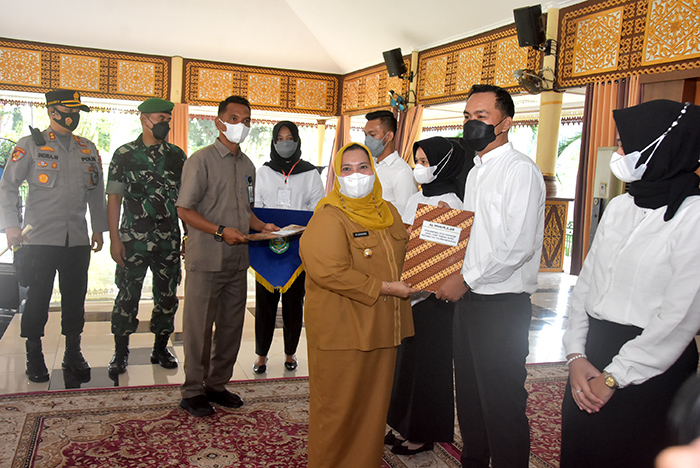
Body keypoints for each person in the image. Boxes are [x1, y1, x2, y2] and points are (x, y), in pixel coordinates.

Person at [561, 99, 700, 468]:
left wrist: (614, 378)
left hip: (652, 366)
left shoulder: (694, 217)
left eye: (625, 145)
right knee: (580, 450)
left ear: (662, 147)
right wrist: (575, 354)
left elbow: (678, 317)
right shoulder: (622, 205)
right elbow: (587, 283)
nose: (618, 154)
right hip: (594, 349)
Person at [435, 84, 545, 468]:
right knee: (469, 396)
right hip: (470, 301)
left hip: (502, 305)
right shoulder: (476, 171)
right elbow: (474, 237)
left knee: (502, 402)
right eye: (467, 116)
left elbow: (517, 246)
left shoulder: (520, 171)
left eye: (481, 116)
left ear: (505, 122)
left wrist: (465, 279)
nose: (472, 123)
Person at [300, 142, 417, 467]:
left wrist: (437, 244)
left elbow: (407, 256)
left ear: (373, 170)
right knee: (338, 413)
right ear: (337, 175)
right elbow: (329, 271)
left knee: (372, 412)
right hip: (343, 332)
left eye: (363, 167)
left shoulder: (389, 212)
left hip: (382, 328)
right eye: (347, 169)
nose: (356, 175)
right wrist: (386, 287)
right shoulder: (329, 216)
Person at [176, 95, 278, 417]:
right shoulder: (201, 161)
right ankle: (193, 391)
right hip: (207, 259)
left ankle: (216, 385)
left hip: (237, 260)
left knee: (231, 328)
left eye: (246, 120)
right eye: (234, 119)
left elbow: (245, 211)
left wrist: (262, 226)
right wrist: (220, 231)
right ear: (218, 122)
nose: (241, 126)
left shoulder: (247, 165)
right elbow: (184, 210)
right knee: (199, 329)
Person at [0, 89, 108, 382]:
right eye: (67, 110)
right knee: (37, 299)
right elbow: (8, 186)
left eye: (76, 112)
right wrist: (10, 225)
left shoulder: (87, 148)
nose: (73, 116)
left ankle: (73, 352)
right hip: (38, 240)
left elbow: (96, 191)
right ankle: (34, 355)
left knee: (75, 298)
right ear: (52, 111)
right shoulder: (30, 145)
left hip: (77, 240)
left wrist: (98, 228)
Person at [385, 136, 466, 456]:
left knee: (429, 367)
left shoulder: (454, 202)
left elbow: (453, 254)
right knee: (407, 362)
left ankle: (423, 433)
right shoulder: (418, 196)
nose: (419, 168)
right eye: (417, 161)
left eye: (424, 162)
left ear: (443, 163)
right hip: (410, 292)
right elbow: (405, 235)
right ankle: (403, 424)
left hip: (436, 298)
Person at [105, 98, 187, 375]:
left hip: (168, 240)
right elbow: (114, 199)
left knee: (167, 297)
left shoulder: (177, 156)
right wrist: (115, 239)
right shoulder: (124, 155)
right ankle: (120, 352)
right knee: (127, 296)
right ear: (144, 119)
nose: (166, 123)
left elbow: (185, 200)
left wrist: (187, 236)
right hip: (133, 241)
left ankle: (160, 348)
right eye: (161, 118)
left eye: (168, 119)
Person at [252, 120, 324, 374]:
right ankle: (261, 355)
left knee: (294, 304)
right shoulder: (263, 172)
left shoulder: (310, 173)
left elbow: (318, 208)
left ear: (297, 141)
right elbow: (256, 206)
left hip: (297, 249)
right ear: (273, 142)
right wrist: (265, 227)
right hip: (267, 248)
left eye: (289, 138)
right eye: (280, 139)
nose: (285, 143)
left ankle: (290, 353)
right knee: (265, 305)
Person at [363, 110, 417, 214]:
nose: (367, 140)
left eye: (372, 135)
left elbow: (405, 215)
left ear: (389, 136)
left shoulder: (402, 172)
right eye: (366, 135)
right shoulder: (367, 165)